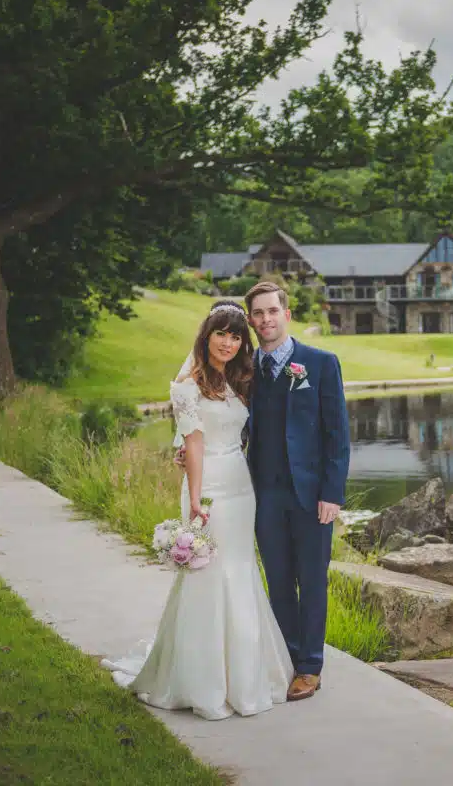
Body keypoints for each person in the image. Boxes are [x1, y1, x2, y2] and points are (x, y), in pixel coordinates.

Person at [101, 300, 293, 720]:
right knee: (209, 575)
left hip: (242, 484)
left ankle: (245, 673)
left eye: (235, 335)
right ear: (206, 336)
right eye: (220, 333)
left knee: (241, 568)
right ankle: (202, 679)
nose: (227, 342)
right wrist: (195, 498)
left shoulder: (240, 380)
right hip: (209, 488)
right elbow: (193, 443)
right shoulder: (187, 386)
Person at [243, 280, 350, 701]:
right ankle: (285, 658)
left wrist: (333, 493)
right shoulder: (244, 370)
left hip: (311, 496)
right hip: (264, 494)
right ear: (251, 321)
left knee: (312, 580)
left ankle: (309, 666)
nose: (266, 319)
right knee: (279, 581)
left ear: (286, 315)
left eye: (273, 311)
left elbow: (337, 435)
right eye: (258, 313)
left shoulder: (320, 364)